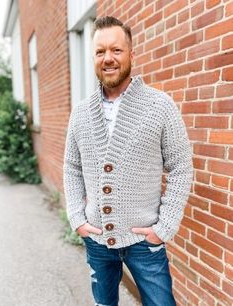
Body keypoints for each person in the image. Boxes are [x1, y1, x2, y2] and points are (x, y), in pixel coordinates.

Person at [63, 16, 193, 306]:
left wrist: (164, 228)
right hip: (96, 239)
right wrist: (76, 217)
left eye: (116, 50)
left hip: (144, 242)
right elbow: (72, 166)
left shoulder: (160, 106)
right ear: (93, 57)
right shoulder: (80, 113)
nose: (108, 58)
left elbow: (181, 167)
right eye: (100, 52)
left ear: (131, 54)